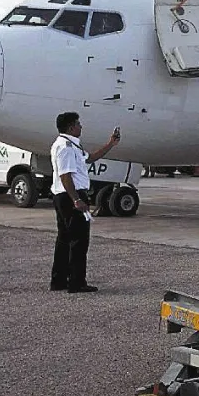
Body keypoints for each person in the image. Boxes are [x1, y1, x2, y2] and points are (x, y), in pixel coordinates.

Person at [50, 112, 120, 293]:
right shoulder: (65, 147)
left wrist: (110, 144)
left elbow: (90, 158)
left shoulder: (72, 145)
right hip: (70, 195)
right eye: (78, 124)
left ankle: (59, 281)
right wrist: (77, 199)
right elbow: (65, 175)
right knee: (79, 241)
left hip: (64, 196)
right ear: (71, 127)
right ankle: (76, 282)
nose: (81, 127)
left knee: (64, 239)